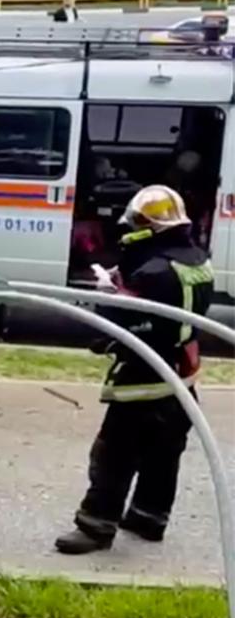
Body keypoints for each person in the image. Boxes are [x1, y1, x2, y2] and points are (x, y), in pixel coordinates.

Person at [55, 185, 215, 555]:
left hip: (145, 379)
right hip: (182, 379)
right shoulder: (197, 260)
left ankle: (96, 527)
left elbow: (123, 326)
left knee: (114, 453)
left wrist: (109, 295)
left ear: (148, 226)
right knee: (164, 452)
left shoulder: (154, 272)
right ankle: (149, 518)